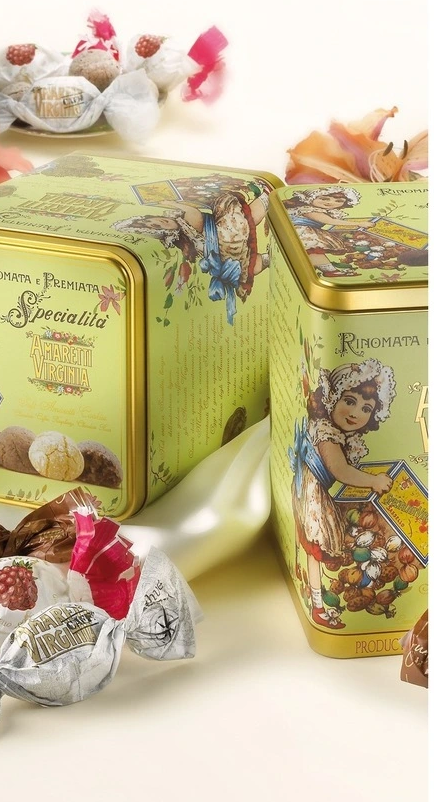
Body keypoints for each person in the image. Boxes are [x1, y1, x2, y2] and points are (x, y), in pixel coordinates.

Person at [289, 359, 396, 629]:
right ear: (332, 398)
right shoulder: (326, 433)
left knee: (314, 550)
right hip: (313, 496)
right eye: (349, 401)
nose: (356, 412)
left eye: (366, 408)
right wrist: (373, 481)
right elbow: (340, 470)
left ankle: (316, 602)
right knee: (315, 549)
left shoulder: (337, 432)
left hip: (314, 492)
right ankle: (317, 606)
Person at [113, 177, 271, 324]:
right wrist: (173, 203)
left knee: (242, 254)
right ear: (163, 233)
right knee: (235, 219)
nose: (159, 221)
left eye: (151, 220)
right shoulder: (185, 227)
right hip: (224, 240)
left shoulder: (181, 230)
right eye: (156, 226)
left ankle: (267, 257)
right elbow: (196, 215)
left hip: (223, 249)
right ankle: (267, 200)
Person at [283, 187, 372, 277]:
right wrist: (359, 224)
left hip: (307, 230)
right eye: (324, 199)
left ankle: (312, 270)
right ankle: (329, 271)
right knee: (313, 250)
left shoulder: (321, 210)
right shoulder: (308, 209)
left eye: (339, 201)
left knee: (311, 252)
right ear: (310, 198)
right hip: (301, 231)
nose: (330, 202)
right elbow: (329, 221)